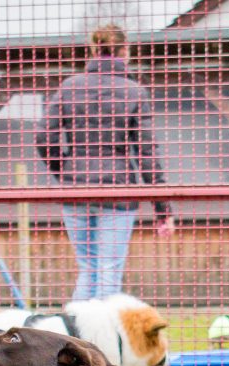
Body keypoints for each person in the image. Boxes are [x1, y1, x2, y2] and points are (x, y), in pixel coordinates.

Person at [37, 23, 175, 301]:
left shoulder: (69, 87)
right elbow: (147, 153)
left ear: (93, 49)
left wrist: (64, 169)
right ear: (125, 51)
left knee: (88, 269)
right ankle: (100, 340)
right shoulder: (135, 92)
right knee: (109, 270)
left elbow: (44, 137)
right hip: (117, 193)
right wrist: (163, 210)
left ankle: (75, 339)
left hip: (75, 192)